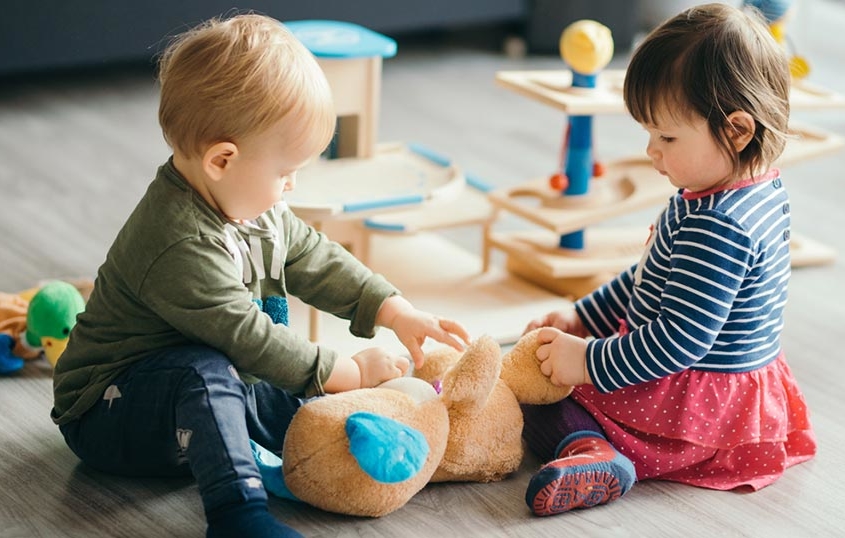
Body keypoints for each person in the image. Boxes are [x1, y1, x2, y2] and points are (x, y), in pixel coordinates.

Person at [50, 13, 470, 538]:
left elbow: (312, 255)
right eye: (285, 171)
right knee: (212, 370)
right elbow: (247, 341)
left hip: (205, 388)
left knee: (287, 399)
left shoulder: (254, 208)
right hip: (109, 414)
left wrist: (391, 308)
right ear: (222, 160)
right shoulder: (178, 240)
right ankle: (238, 515)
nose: (291, 186)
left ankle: (354, 454)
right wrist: (350, 372)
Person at [520, 2, 816, 517]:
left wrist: (586, 361)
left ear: (737, 131)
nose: (652, 151)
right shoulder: (743, 188)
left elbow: (678, 341)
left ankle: (595, 451)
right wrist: (584, 315)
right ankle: (600, 442)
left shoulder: (719, 223)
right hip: (730, 395)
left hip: (691, 407)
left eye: (667, 137)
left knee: (539, 399)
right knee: (551, 370)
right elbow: (651, 275)